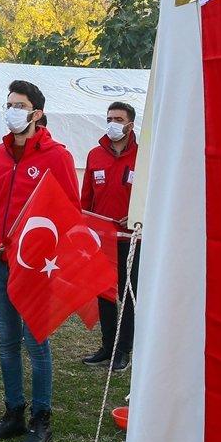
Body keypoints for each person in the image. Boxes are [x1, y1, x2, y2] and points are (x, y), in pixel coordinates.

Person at [0, 80, 79, 442]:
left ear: (37, 112)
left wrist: (53, 260)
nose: (12, 111)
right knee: (6, 343)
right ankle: (13, 412)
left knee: (37, 343)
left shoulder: (57, 157)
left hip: (34, 268)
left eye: (20, 105)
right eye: (9, 104)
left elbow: (70, 214)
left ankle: (41, 417)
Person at [79, 102, 140, 371]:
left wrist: (140, 212)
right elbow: (86, 197)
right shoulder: (95, 155)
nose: (113, 122)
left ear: (130, 124)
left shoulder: (144, 156)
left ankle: (123, 349)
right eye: (109, 118)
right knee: (104, 293)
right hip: (101, 239)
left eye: (118, 118)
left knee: (126, 295)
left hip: (132, 239)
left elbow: (154, 194)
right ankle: (107, 345)